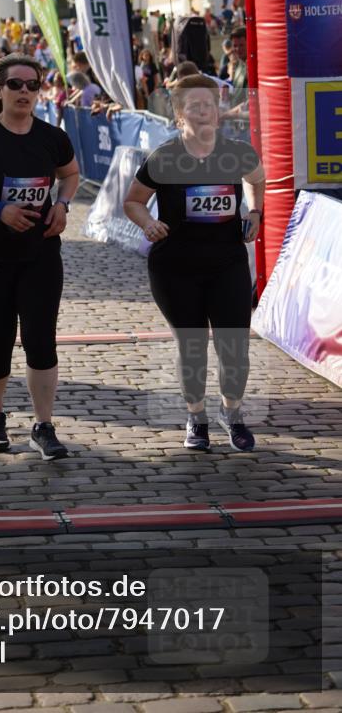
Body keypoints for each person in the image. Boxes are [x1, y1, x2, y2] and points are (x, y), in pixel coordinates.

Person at [123, 74, 266, 452]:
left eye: (209, 104)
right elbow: (133, 201)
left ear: (218, 111)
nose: (204, 111)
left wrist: (255, 212)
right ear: (179, 115)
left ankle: (231, 413)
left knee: (234, 346)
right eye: (194, 106)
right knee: (193, 346)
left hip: (227, 264)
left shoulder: (237, 152)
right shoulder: (165, 157)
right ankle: (196, 417)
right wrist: (148, 222)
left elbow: (256, 179)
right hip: (175, 267)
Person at [0, 54, 80, 461]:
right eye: (15, 84)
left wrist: (63, 205)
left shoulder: (52, 137)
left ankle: (44, 426)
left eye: (32, 85)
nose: (25, 91)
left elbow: (71, 174)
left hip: (41, 254)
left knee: (41, 339)